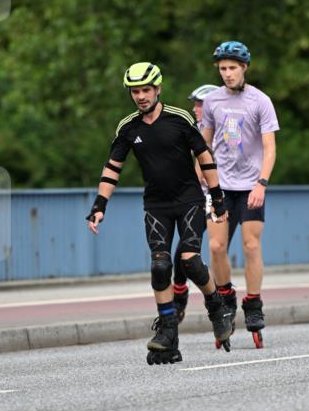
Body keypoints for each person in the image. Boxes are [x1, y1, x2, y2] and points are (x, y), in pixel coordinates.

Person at [86, 62, 233, 364]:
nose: (140, 96)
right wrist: (99, 206)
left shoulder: (179, 119)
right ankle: (168, 334)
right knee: (160, 266)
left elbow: (205, 156)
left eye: (145, 90)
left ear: (157, 89)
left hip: (189, 200)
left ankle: (215, 304)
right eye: (135, 91)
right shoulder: (128, 128)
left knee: (189, 261)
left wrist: (218, 198)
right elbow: (112, 168)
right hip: (156, 206)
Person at [200, 41, 279, 347]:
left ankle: (254, 305)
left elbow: (270, 148)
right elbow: (203, 143)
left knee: (250, 244)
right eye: (222, 69)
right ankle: (226, 298)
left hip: (250, 186)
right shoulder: (213, 101)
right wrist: (202, 171)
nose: (227, 74)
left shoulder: (260, 101)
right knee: (217, 247)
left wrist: (262, 183)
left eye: (232, 68)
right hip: (219, 187)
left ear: (245, 68)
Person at [170, 83, 220, 322]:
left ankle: (224, 297)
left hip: (223, 193)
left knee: (218, 247)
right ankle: (179, 291)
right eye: (196, 104)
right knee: (183, 250)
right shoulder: (191, 129)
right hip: (197, 196)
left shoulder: (228, 128)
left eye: (200, 104)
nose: (195, 108)